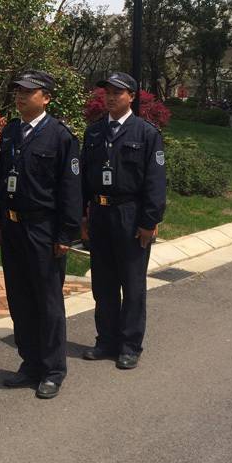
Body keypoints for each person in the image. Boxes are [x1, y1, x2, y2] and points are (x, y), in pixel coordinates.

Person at [0, 71, 82, 399]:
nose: (20, 97)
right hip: (13, 228)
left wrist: (65, 234)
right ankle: (29, 362)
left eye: (28, 92)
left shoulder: (60, 137)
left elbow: (71, 190)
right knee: (20, 298)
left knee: (47, 301)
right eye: (18, 91)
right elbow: (2, 180)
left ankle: (53, 369)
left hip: (43, 230)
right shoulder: (11, 131)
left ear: (46, 98)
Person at [81, 72, 166, 369]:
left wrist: (149, 221)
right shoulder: (93, 133)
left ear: (131, 96)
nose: (111, 97)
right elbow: (83, 179)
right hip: (100, 214)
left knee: (132, 284)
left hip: (130, 215)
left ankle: (130, 345)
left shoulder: (146, 133)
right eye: (108, 92)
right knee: (102, 283)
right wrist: (82, 216)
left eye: (118, 92)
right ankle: (106, 340)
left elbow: (155, 182)